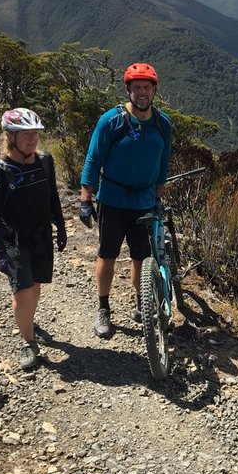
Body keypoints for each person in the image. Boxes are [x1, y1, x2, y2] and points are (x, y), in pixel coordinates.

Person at [79, 62, 172, 338]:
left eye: (147, 87)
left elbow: (163, 163)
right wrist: (86, 197)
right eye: (136, 87)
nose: (142, 92)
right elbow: (93, 159)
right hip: (113, 199)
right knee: (107, 255)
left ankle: (142, 304)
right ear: (128, 90)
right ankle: (103, 309)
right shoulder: (112, 120)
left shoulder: (162, 123)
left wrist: (157, 195)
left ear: (154, 90)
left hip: (144, 201)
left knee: (141, 259)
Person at [0, 108, 67, 370]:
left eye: (35, 134)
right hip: (14, 240)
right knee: (23, 292)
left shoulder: (45, 161)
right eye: (25, 135)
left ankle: (28, 321)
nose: (32, 140)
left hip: (41, 234)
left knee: (36, 285)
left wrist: (61, 226)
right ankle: (28, 342)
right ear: (10, 136)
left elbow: (52, 195)